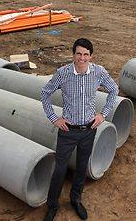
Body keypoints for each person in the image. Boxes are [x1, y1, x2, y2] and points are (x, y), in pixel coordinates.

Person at [40, 38, 119, 221]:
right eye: (78, 54)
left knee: (82, 167)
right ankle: (52, 205)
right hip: (67, 131)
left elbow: (114, 90)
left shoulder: (98, 72)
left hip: (88, 130)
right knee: (60, 170)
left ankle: (76, 199)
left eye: (86, 54)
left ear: (91, 56)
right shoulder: (63, 73)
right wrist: (54, 118)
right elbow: (45, 93)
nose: (82, 58)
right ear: (73, 54)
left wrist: (103, 115)